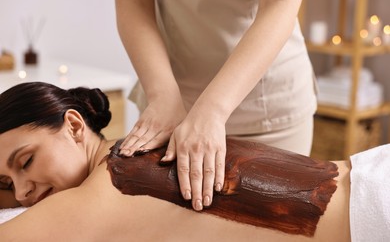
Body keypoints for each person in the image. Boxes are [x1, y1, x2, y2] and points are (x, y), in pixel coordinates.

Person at [0, 82, 388, 241]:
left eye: (26, 161)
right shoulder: (139, 147)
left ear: (73, 125)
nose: (22, 191)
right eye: (6, 184)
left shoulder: (99, 198)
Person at [114, 0, 317, 211]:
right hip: (167, 108)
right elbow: (133, 3)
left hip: (263, 110)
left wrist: (212, 111)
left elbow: (279, 4)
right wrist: (163, 97)